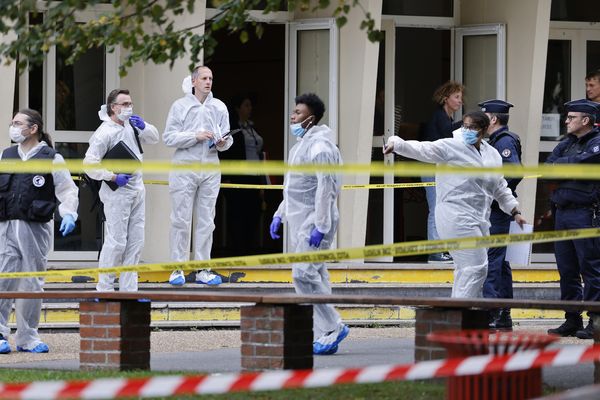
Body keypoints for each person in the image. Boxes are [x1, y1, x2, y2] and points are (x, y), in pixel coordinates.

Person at [385, 111, 526, 298]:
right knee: (476, 267)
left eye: (472, 127)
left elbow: (499, 186)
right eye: (464, 126)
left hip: (478, 219)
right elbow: (423, 149)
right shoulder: (452, 146)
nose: (466, 130)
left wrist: (514, 210)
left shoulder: (491, 154)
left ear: (483, 130)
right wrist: (396, 144)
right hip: (455, 215)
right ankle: (462, 312)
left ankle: (459, 312)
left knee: (467, 269)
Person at [269, 93, 349, 355]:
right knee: (317, 274)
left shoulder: (321, 147)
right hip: (302, 220)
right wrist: (280, 214)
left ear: (311, 118)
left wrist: (321, 225)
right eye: (293, 112)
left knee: (302, 274)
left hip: (316, 220)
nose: (293, 117)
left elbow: (326, 188)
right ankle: (324, 332)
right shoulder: (300, 146)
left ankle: (333, 326)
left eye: (298, 113)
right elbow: (294, 187)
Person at [0, 109, 78, 353]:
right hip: (6, 226)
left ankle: (28, 337)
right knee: (4, 280)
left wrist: (69, 213)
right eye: (12, 122)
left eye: (18, 123)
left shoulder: (51, 157)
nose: (13, 127)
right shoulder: (7, 155)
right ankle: (0, 334)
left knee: (31, 283)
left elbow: (67, 190)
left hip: (34, 228)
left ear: (33, 129)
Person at [84, 89, 159, 292]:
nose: (129, 108)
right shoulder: (104, 132)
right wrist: (113, 176)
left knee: (136, 241)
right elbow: (89, 164)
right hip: (117, 192)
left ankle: (129, 290)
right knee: (116, 242)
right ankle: (105, 288)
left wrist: (145, 126)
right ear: (113, 107)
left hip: (137, 188)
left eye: (130, 104)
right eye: (124, 104)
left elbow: (154, 138)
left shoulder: (131, 127)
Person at [164, 66, 233, 286]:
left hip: (210, 167)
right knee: (181, 219)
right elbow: (169, 138)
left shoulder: (219, 107)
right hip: (184, 168)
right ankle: (178, 268)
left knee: (207, 221)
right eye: (204, 78)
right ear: (194, 81)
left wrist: (222, 142)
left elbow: (227, 139)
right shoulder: (180, 106)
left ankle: (203, 268)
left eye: (211, 78)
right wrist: (195, 136)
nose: (208, 82)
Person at [546, 99, 600, 339]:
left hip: (586, 213)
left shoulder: (597, 142)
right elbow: (548, 167)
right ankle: (571, 318)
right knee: (566, 269)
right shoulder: (566, 144)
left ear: (585, 120)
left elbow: (586, 162)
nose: (566, 121)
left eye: (571, 117)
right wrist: (566, 167)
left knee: (590, 267)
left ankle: (596, 321)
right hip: (563, 213)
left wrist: (563, 166)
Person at [479, 100, 523, 330]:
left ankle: (492, 312)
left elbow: (514, 172)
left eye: (484, 115)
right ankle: (503, 314)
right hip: (498, 209)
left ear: (493, 119)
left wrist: (495, 191)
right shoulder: (495, 141)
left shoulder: (504, 141)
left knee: (492, 261)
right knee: (501, 262)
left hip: (498, 210)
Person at [421, 81, 465, 264]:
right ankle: (435, 251)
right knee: (436, 209)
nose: (460, 101)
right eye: (457, 97)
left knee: (441, 209)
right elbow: (448, 135)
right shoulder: (440, 117)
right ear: (446, 99)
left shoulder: (446, 119)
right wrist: (467, 122)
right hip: (431, 169)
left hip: (438, 169)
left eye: (461, 98)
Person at [219, 94, 266, 256]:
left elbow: (261, 155)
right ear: (238, 108)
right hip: (239, 176)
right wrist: (227, 176)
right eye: (246, 105)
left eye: (250, 105)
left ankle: (250, 248)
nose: (249, 108)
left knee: (253, 212)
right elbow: (227, 153)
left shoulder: (252, 128)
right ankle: (238, 250)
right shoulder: (233, 127)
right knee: (238, 213)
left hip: (254, 176)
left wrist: (262, 182)